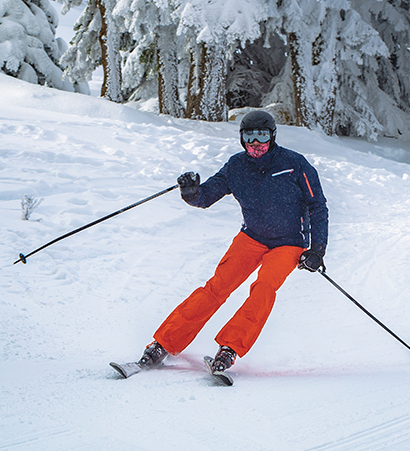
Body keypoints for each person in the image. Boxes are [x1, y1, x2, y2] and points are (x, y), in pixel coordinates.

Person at [134, 110, 328, 378]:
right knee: (217, 287)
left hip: (289, 242)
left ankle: (229, 348)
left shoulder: (295, 164)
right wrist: (191, 192)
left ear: (272, 136)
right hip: (251, 238)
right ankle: (163, 343)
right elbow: (206, 196)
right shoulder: (236, 166)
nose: (255, 143)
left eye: (262, 136)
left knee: (264, 288)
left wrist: (317, 249)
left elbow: (318, 206)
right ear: (241, 138)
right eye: (249, 137)